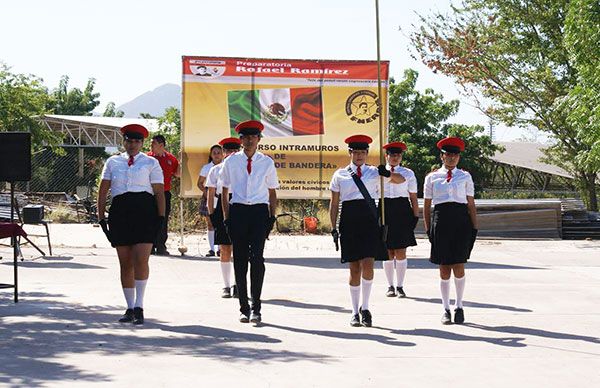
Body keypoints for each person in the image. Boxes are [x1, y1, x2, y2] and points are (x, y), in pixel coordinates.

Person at [329, 135, 406, 327]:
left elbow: (400, 180)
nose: (359, 156)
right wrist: (333, 227)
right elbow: (334, 202)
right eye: (355, 152)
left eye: (362, 152)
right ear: (350, 153)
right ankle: (354, 311)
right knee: (354, 268)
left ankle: (366, 307)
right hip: (349, 220)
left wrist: (387, 174)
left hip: (370, 220)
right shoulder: (340, 174)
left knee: (369, 265)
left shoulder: (375, 172)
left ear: (367, 153)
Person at [97, 124, 165, 325]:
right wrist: (101, 218)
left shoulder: (151, 162)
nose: (133, 144)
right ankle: (129, 307)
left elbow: (159, 192)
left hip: (144, 212)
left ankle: (140, 306)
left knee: (140, 260)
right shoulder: (113, 161)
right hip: (120, 212)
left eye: (137, 141)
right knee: (125, 262)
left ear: (142, 143)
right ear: (124, 141)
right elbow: (103, 191)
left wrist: (161, 218)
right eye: (129, 141)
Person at [221, 120, 279, 324]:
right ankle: (243, 307)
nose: (249, 141)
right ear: (240, 140)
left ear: (259, 139)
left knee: (257, 259)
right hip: (238, 211)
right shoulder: (231, 161)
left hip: (258, 212)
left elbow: (272, 191)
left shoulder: (266, 162)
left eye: (253, 137)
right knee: (239, 260)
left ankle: (256, 306)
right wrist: (226, 218)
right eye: (245, 137)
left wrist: (272, 216)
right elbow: (224, 190)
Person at [423, 137, 478, 325]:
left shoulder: (465, 176)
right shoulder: (432, 177)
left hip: (461, 221)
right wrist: (428, 228)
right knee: (444, 267)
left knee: (459, 265)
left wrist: (474, 227)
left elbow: (471, 204)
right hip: (441, 219)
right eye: (448, 155)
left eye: (455, 155)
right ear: (442, 156)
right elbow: (428, 205)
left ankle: (459, 305)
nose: (451, 158)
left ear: (459, 157)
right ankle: (445, 308)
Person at [380, 142, 419, 298]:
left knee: (401, 250)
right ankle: (390, 285)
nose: (395, 158)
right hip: (384, 208)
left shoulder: (408, 173)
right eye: (392, 155)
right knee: (387, 251)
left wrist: (416, 215)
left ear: (401, 156)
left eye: (398, 155)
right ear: (386, 156)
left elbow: (413, 197)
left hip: (402, 209)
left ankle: (400, 286)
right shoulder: (379, 172)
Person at [206, 137, 242, 299]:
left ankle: (238, 284)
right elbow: (211, 193)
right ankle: (226, 285)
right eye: (227, 151)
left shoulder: (243, 168)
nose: (230, 154)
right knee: (225, 248)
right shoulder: (216, 170)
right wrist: (212, 214)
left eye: (234, 151)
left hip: (240, 204)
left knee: (239, 248)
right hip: (222, 205)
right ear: (223, 152)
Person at [148, 134, 179, 256]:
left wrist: (182, 161)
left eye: (153, 144)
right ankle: (149, 246)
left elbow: (178, 174)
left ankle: (161, 246)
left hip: (165, 193)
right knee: (149, 219)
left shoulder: (171, 159)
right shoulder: (147, 158)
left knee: (163, 219)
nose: (151, 146)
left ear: (161, 145)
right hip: (150, 193)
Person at [197, 145, 223, 257]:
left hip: (223, 197)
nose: (216, 155)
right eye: (214, 153)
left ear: (223, 154)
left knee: (221, 223)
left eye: (218, 152)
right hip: (209, 197)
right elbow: (199, 183)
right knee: (210, 223)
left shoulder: (226, 167)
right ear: (211, 155)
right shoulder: (206, 168)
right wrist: (207, 193)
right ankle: (212, 249)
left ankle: (220, 249)